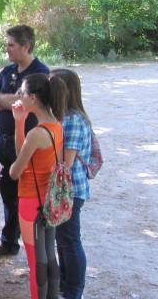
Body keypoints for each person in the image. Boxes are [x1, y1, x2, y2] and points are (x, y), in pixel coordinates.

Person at [0, 25, 50, 257]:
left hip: (24, 141)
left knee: (27, 194)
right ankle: (9, 241)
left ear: (26, 46)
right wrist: (8, 99)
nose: (7, 49)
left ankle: (32, 244)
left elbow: (25, 104)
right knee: (7, 192)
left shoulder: (40, 73)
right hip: (2, 140)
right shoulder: (7, 70)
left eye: (11, 45)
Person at [8, 73, 67, 299]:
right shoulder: (56, 125)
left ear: (32, 97)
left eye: (22, 92)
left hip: (31, 201)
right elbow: (26, 157)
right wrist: (19, 122)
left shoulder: (36, 134)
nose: (19, 96)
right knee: (48, 254)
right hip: (48, 200)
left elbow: (15, 171)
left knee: (35, 261)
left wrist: (22, 126)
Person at [50, 68, 92, 299]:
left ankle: (74, 290)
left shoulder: (73, 120)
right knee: (62, 239)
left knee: (70, 240)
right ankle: (66, 284)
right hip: (62, 189)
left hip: (71, 190)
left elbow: (65, 162)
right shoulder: (63, 117)